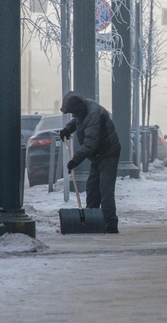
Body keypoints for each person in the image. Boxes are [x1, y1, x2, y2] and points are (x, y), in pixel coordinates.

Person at [59, 91, 121, 234]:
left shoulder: (93, 114)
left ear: (78, 107)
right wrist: (67, 129)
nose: (73, 115)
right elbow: (77, 121)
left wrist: (75, 161)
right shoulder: (84, 109)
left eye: (73, 112)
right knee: (92, 187)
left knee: (105, 189)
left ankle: (110, 223)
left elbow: (90, 144)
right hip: (97, 155)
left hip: (108, 153)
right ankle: (92, 219)